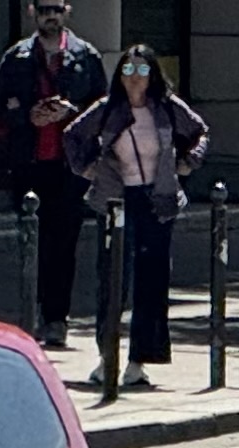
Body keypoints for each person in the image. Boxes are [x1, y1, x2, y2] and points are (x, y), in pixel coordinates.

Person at [64, 45, 208, 389]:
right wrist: (88, 169)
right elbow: (73, 135)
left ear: (153, 76)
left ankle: (138, 360)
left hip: (157, 199)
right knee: (113, 280)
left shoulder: (166, 108)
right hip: (117, 197)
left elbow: (199, 132)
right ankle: (107, 357)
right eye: (128, 70)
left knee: (152, 280)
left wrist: (187, 164)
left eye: (143, 72)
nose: (135, 79)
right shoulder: (108, 109)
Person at [0, 2, 107, 347]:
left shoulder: (86, 55)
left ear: (67, 11)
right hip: (28, 163)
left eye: (56, 8)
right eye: (43, 9)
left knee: (63, 244)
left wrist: (73, 113)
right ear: (31, 12)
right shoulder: (17, 57)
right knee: (33, 242)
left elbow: (104, 108)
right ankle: (33, 312)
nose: (49, 15)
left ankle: (56, 318)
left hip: (69, 166)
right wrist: (28, 116)